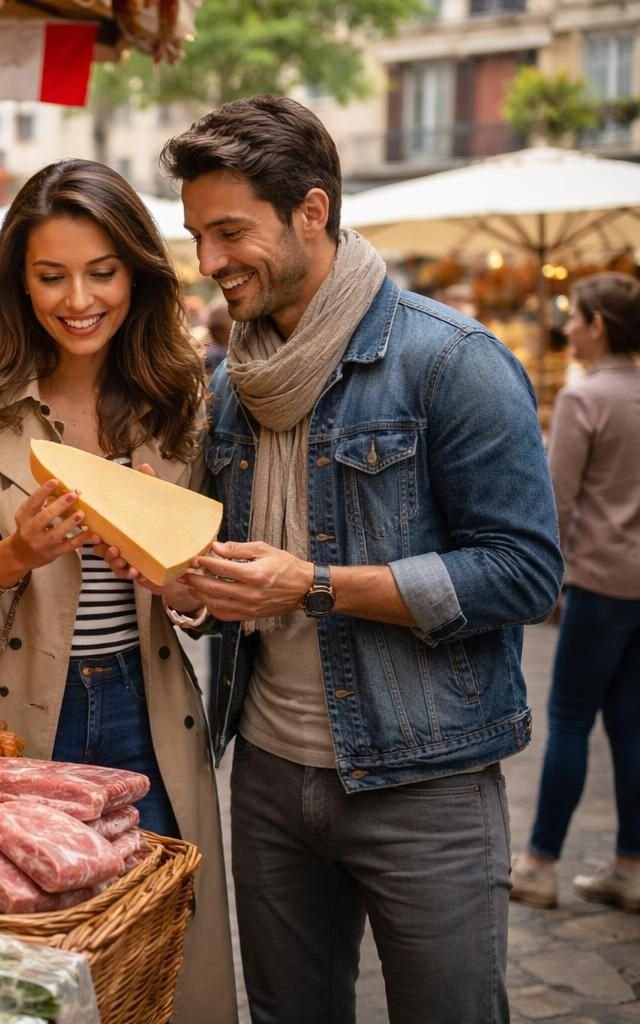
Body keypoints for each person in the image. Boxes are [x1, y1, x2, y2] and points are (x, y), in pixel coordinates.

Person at [153, 96, 562, 1023]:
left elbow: (526, 574)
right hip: (262, 770)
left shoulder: (452, 360)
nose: (209, 263)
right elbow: (241, 566)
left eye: (228, 233)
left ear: (312, 210)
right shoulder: (231, 384)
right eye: (197, 236)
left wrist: (318, 585)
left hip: (426, 778)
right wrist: (203, 589)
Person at [0, 159, 237, 1023]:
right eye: (50, 276)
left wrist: (184, 582)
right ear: (19, 280)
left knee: (152, 959)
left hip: (146, 711)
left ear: (137, 273)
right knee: (21, 970)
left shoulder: (175, 396)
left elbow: (195, 592)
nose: (77, 299)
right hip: (11, 719)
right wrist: (12, 556)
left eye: (102, 272)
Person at [511, 272, 640, 912]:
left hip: (598, 581)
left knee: (567, 720)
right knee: (631, 725)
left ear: (599, 327)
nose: (568, 329)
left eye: (577, 318)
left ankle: (537, 865)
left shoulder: (586, 399)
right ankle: (630, 865)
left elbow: (551, 504)